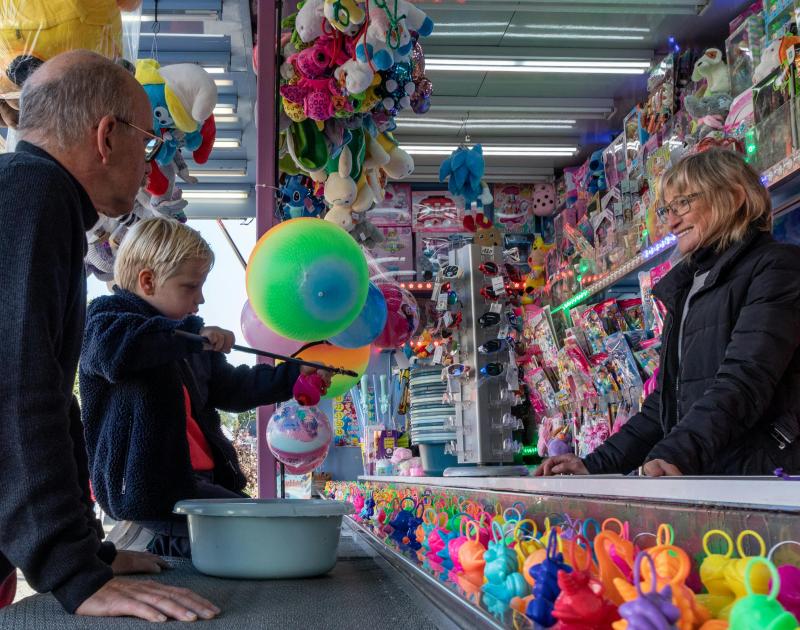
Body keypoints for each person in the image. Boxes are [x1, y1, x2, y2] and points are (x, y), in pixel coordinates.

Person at [0, 50, 220, 623]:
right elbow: (16, 388)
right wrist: (74, 572)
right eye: (146, 142)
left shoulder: (36, 195)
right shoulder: (32, 194)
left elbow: (51, 391)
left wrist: (90, 553)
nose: (148, 165)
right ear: (106, 136)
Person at [537, 148, 800, 477]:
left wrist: (676, 453)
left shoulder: (777, 267)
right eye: (667, 209)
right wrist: (594, 465)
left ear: (733, 198)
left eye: (684, 204)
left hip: (765, 479)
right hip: (708, 475)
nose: (672, 221)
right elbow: (664, 402)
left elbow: (745, 379)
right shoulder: (691, 286)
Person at [80, 217, 332, 558]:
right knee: (258, 534)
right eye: (190, 286)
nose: (199, 299)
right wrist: (188, 340)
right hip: (152, 490)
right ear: (148, 281)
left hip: (194, 482)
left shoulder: (185, 339)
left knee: (265, 525)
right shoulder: (107, 320)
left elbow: (234, 389)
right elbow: (116, 353)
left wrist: (292, 376)